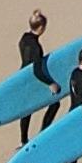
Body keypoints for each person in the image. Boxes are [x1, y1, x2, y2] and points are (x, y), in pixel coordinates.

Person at [14, 11, 53, 142]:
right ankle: (44, 132)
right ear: (41, 28)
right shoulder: (36, 47)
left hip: (22, 76)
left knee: (27, 109)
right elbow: (37, 71)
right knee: (55, 103)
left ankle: (23, 139)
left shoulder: (24, 38)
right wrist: (50, 84)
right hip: (33, 79)